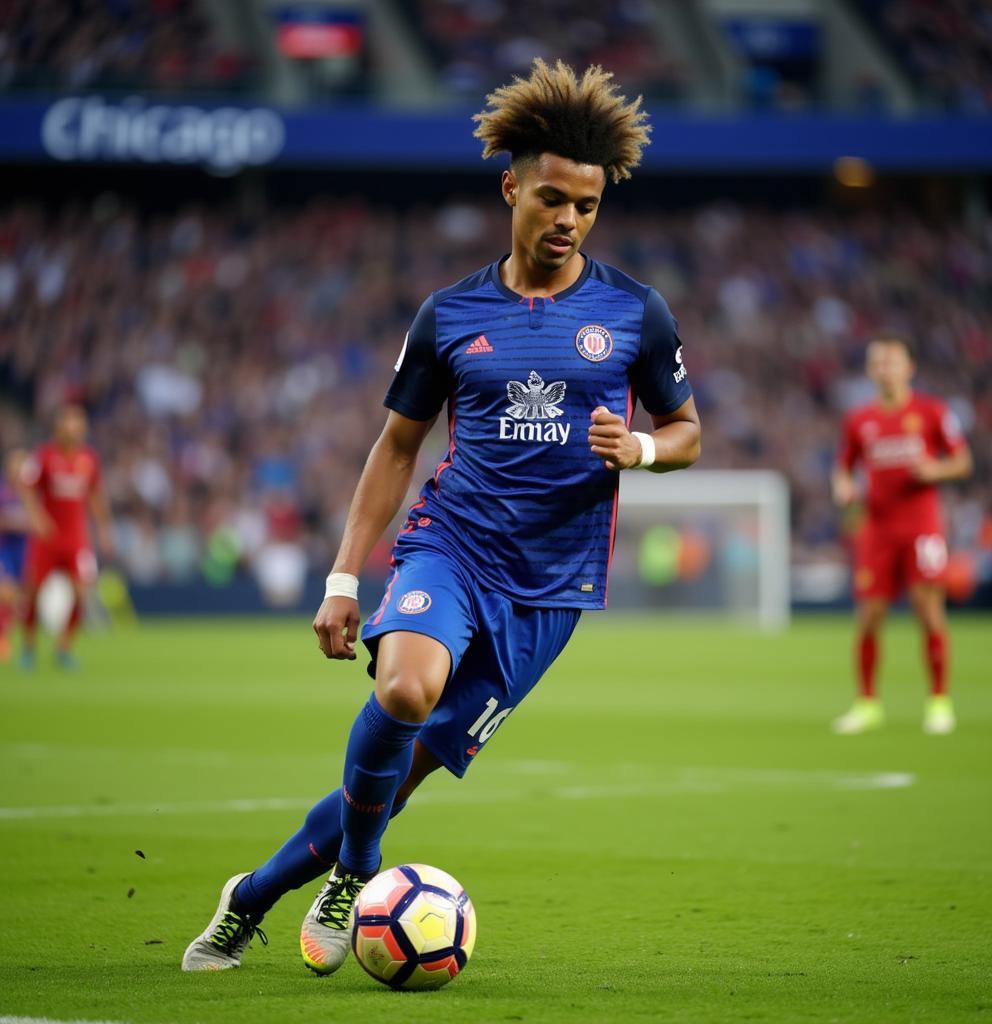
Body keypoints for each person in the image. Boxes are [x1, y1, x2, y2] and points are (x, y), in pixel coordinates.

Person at [182, 59, 701, 974]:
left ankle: (253, 895)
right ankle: (358, 872)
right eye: (551, 198)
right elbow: (395, 447)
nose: (568, 219)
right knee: (405, 691)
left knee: (401, 773)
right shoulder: (450, 315)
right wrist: (344, 576)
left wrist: (646, 452)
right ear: (511, 187)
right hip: (450, 547)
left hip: (551, 594)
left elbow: (688, 429)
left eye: (586, 205)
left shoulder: (634, 312)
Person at [831, 334, 971, 736]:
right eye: (878, 363)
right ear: (870, 370)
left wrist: (936, 471)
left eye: (892, 362)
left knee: (928, 611)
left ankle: (939, 702)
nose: (884, 370)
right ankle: (868, 704)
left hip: (922, 526)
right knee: (870, 616)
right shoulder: (860, 420)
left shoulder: (931, 412)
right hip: (876, 527)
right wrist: (842, 486)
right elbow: (844, 466)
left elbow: (962, 461)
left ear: (909, 367)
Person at [16, 404, 114, 669]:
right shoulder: (44, 456)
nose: (74, 427)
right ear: (59, 425)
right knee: (33, 592)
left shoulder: (89, 459)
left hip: (76, 539)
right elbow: (25, 487)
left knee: (83, 592)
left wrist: (104, 530)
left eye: (78, 421)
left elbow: (95, 496)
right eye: (69, 421)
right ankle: (28, 646)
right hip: (47, 538)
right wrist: (36, 516)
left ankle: (64, 646)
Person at [0, 449, 30, 662]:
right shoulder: (2, 493)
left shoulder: (32, 495)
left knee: (21, 599)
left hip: (26, 550)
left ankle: (20, 641)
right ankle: (3, 638)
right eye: (16, 468)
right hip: (5, 548)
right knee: (6, 592)